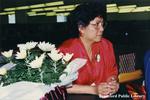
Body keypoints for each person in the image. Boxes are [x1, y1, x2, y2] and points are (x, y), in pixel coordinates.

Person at [58, 1, 119, 98]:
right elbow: (60, 85)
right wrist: (93, 90)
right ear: (81, 28)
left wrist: (112, 82)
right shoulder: (65, 50)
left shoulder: (106, 45)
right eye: (96, 25)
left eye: (103, 24)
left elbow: (111, 72)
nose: (102, 29)